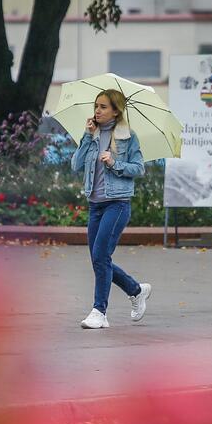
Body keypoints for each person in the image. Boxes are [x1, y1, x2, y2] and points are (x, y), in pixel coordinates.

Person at [70, 89, 152, 329]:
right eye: (96, 105)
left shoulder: (128, 137)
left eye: (103, 106)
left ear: (116, 110)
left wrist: (115, 163)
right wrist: (87, 137)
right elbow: (75, 164)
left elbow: (139, 169)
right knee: (99, 259)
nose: (97, 110)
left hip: (117, 204)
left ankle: (99, 312)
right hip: (95, 205)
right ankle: (136, 291)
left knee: (100, 257)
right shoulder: (92, 135)